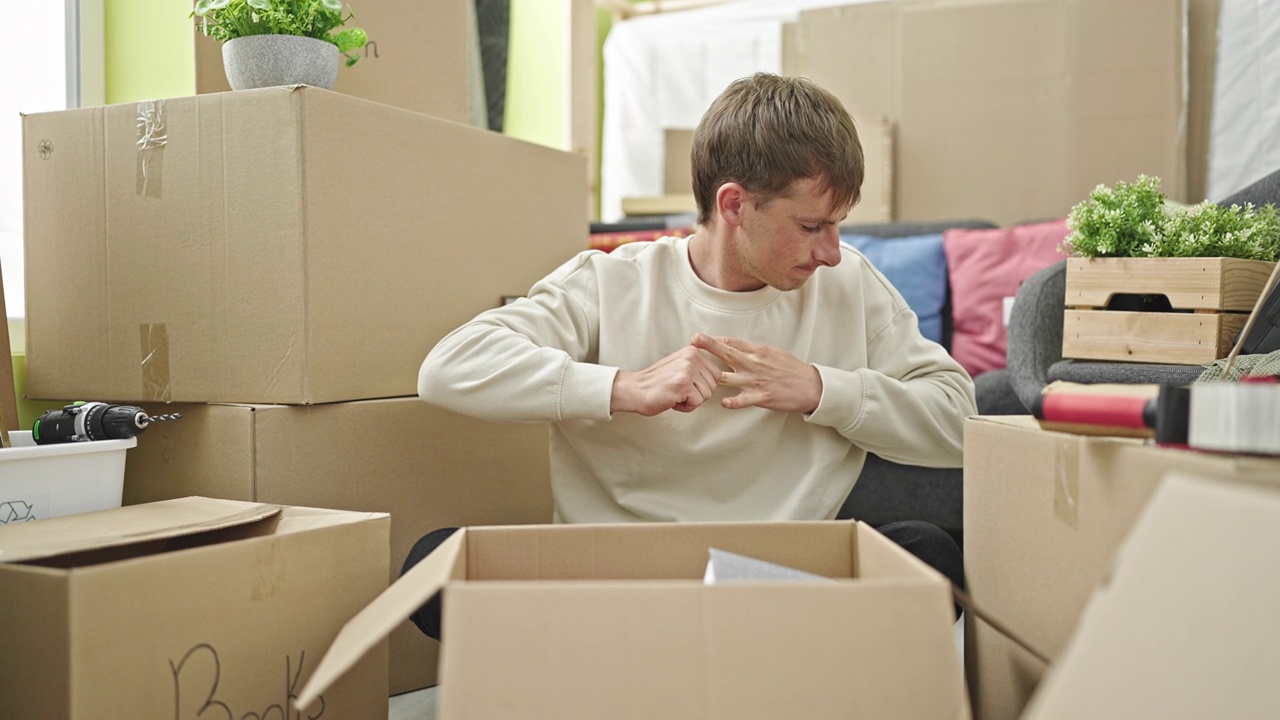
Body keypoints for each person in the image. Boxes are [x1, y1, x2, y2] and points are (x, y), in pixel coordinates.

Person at [405, 73, 976, 639]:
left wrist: (824, 390)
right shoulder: (609, 281)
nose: (831, 252)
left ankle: (641, 655)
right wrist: (623, 388)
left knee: (929, 555)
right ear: (734, 205)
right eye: (811, 226)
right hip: (615, 576)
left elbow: (959, 421)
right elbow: (449, 368)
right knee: (434, 569)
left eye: (838, 226)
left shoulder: (853, 285)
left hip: (775, 576)